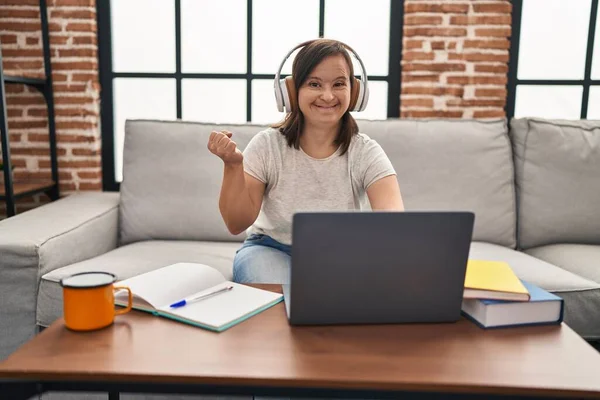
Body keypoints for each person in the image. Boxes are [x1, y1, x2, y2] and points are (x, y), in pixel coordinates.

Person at [207, 39, 404, 285]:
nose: (328, 95)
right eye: (314, 84)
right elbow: (236, 224)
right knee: (278, 300)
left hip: (340, 255)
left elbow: (394, 223)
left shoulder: (366, 152)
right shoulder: (267, 145)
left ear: (355, 92)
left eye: (339, 84)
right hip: (270, 248)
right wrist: (233, 165)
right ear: (291, 92)